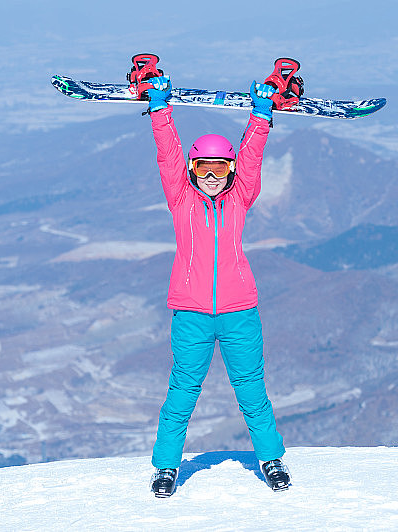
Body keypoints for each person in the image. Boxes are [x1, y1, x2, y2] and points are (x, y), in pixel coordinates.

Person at [144, 73, 291, 497]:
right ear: (193, 168)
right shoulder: (181, 199)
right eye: (204, 167)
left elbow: (251, 161)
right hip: (191, 313)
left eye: (220, 167)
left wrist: (260, 118)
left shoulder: (239, 198)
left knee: (251, 391)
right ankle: (166, 467)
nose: (212, 176)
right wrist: (159, 110)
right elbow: (167, 156)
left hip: (239, 311)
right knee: (182, 393)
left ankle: (271, 460)